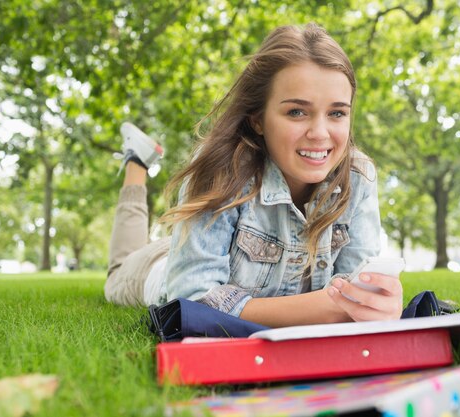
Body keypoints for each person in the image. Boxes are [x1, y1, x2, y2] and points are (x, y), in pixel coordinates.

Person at [105, 23, 403, 328]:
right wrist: (329, 307)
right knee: (117, 270)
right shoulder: (224, 168)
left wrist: (376, 303)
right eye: (297, 112)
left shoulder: (359, 176)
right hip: (158, 268)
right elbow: (194, 301)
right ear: (258, 120)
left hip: (199, 245)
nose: (320, 133)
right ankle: (137, 161)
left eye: (337, 113)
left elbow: (356, 296)